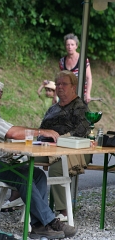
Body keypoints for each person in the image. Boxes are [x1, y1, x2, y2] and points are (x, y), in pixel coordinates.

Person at [0, 77, 77, 239]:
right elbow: (13, 133)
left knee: (36, 175)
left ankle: (39, 225)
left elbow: (10, 131)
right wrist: (42, 132)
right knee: (23, 176)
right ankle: (49, 221)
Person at [36, 70, 91, 222]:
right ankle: (19, 197)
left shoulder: (79, 106)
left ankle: (64, 211)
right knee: (20, 158)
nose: (59, 87)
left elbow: (83, 130)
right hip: (47, 147)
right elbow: (42, 128)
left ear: (73, 87)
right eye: (58, 84)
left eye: (64, 84)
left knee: (58, 167)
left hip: (75, 149)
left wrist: (59, 139)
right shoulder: (53, 108)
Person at [59, 33, 92, 103]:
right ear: (65, 46)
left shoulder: (83, 59)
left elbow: (88, 78)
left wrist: (88, 94)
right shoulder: (62, 61)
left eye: (72, 44)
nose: (70, 47)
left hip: (81, 95)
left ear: (76, 46)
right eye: (68, 45)